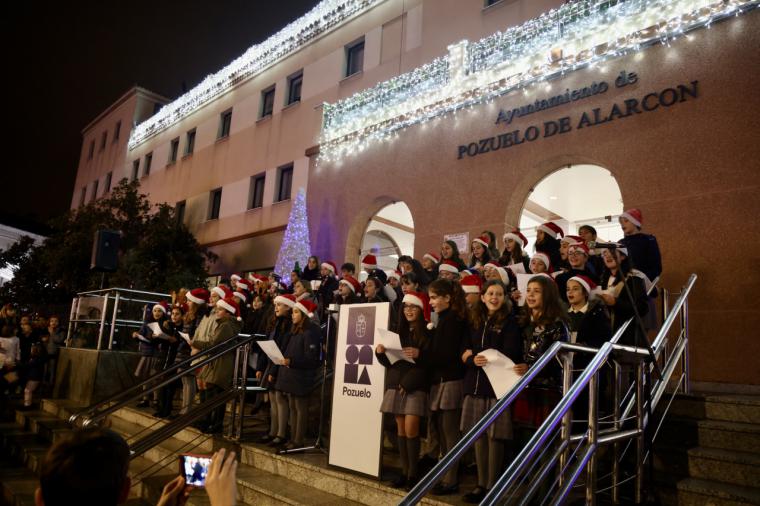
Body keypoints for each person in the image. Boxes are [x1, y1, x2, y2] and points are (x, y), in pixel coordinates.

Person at [460, 280, 522, 503]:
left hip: (496, 386)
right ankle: (480, 483)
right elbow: (464, 349)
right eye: (490, 293)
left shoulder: (510, 322)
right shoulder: (474, 320)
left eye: (499, 294)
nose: (494, 297)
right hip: (475, 383)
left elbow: (509, 351)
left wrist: (474, 353)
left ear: (504, 298)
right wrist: (470, 358)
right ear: (483, 297)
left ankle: (492, 485)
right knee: (478, 436)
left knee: (494, 437)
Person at [376, 291, 432, 489]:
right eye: (406, 307)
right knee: (400, 429)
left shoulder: (427, 331)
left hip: (414, 386)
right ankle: (404, 471)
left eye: (413, 307)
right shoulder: (399, 331)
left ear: (421, 309)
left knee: (411, 429)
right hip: (396, 383)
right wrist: (380, 353)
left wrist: (419, 355)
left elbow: (429, 363)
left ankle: (413, 475)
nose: (409, 310)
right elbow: (392, 362)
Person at [425, 278, 468, 495]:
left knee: (450, 433)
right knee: (442, 431)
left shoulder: (453, 320)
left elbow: (445, 353)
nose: (430, 302)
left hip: (451, 380)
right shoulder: (445, 318)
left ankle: (451, 479)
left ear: (447, 298)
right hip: (443, 380)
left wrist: (423, 354)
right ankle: (444, 475)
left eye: (434, 297)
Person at [513, 275, 570, 430]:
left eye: (536, 291)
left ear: (548, 295)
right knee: (524, 438)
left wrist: (531, 368)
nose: (530, 295)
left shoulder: (557, 325)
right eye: (528, 290)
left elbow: (560, 360)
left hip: (548, 389)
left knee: (545, 439)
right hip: (524, 386)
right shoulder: (522, 322)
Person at [274, 299, 321, 450]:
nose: (293, 315)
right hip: (292, 375)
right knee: (293, 407)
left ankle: (298, 439)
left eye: (295, 312)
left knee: (300, 409)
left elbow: (311, 358)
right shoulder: (295, 331)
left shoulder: (310, 332)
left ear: (304, 315)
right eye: (293, 312)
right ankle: (293, 438)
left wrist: (291, 361)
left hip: (302, 376)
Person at [191, 296, 242, 434]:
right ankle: (208, 421)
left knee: (217, 394)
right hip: (217, 362)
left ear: (228, 312)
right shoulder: (223, 324)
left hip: (221, 363)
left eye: (220, 309)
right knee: (212, 392)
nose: (217, 311)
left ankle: (215, 424)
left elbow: (213, 344)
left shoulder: (226, 325)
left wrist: (194, 343)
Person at [257, 293, 295, 444]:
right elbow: (267, 345)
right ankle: (273, 431)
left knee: (279, 398)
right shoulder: (274, 323)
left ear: (288, 307)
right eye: (275, 305)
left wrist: (273, 371)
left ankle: (281, 433)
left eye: (279, 305)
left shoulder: (288, 325)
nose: (276, 308)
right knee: (272, 398)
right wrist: (260, 366)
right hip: (270, 363)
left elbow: (283, 348)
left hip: (279, 365)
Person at [598, 248, 650, 346]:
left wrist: (615, 302)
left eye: (612, 252)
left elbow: (642, 307)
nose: (608, 256)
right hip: (606, 333)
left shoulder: (634, 278)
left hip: (625, 334)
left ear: (623, 256)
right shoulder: (603, 278)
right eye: (604, 253)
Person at [132, 302, 169, 408]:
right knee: (146, 377)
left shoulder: (165, 323)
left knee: (155, 377)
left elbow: (166, 337)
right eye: (155, 311)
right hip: (147, 352)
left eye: (159, 311)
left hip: (157, 353)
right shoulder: (147, 323)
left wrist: (154, 337)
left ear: (164, 313)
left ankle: (156, 399)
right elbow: (141, 333)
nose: (157, 313)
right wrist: (136, 335)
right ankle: (145, 399)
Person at [618, 209, 662, 284]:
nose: (623, 225)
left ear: (635, 222)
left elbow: (656, 267)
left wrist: (643, 280)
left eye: (626, 221)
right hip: (624, 284)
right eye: (621, 223)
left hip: (643, 283)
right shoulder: (620, 243)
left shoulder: (648, 239)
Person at [40, 315, 66, 387]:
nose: (53, 323)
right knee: (44, 371)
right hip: (45, 353)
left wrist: (52, 333)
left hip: (53, 354)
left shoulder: (61, 331)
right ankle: (43, 386)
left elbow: (59, 340)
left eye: (56, 321)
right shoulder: (46, 329)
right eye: (52, 321)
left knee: (52, 371)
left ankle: (50, 387)